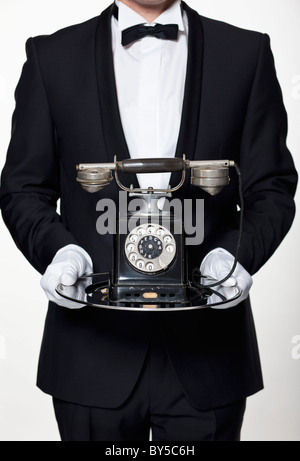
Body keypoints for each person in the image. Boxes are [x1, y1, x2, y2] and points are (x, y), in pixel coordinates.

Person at [0, 0, 297, 442]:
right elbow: (23, 188)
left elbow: (271, 186)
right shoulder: (52, 55)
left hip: (209, 354)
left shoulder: (245, 52)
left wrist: (233, 256)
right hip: (91, 351)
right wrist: (59, 252)